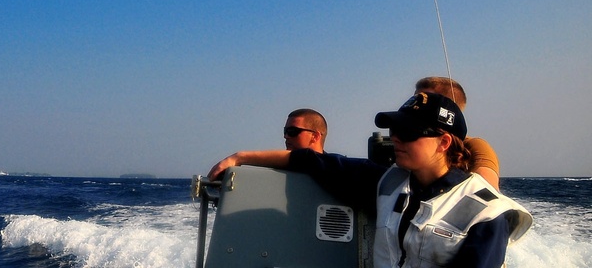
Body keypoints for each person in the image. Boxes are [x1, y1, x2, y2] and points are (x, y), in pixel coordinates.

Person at [209, 92, 531, 267]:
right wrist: (239, 157)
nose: (396, 139)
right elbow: (311, 162)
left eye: (408, 133)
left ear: (443, 143)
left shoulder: (486, 214)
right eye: (394, 131)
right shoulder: (387, 183)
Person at [415, 76, 501, 190]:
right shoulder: (406, 144)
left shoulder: (474, 147)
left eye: (424, 101)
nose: (413, 106)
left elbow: (487, 191)